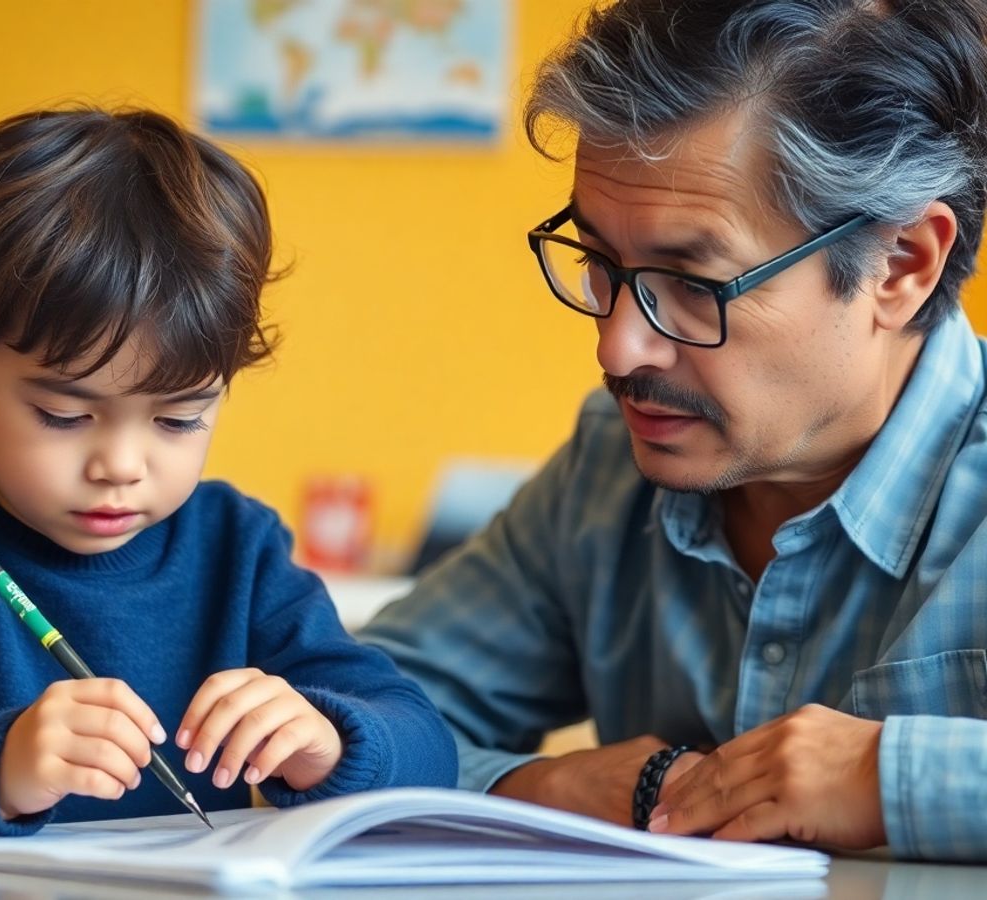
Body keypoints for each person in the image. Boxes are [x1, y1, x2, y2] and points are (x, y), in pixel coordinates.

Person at [361, 0, 987, 861]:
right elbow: (363, 703)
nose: (618, 344)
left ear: (902, 265)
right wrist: (544, 786)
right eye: (600, 264)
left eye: (695, 283)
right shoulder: (607, 466)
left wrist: (891, 778)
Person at [0, 108, 456, 835]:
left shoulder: (239, 546)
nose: (121, 467)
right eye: (65, 417)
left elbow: (426, 746)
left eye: (178, 420)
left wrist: (331, 743)